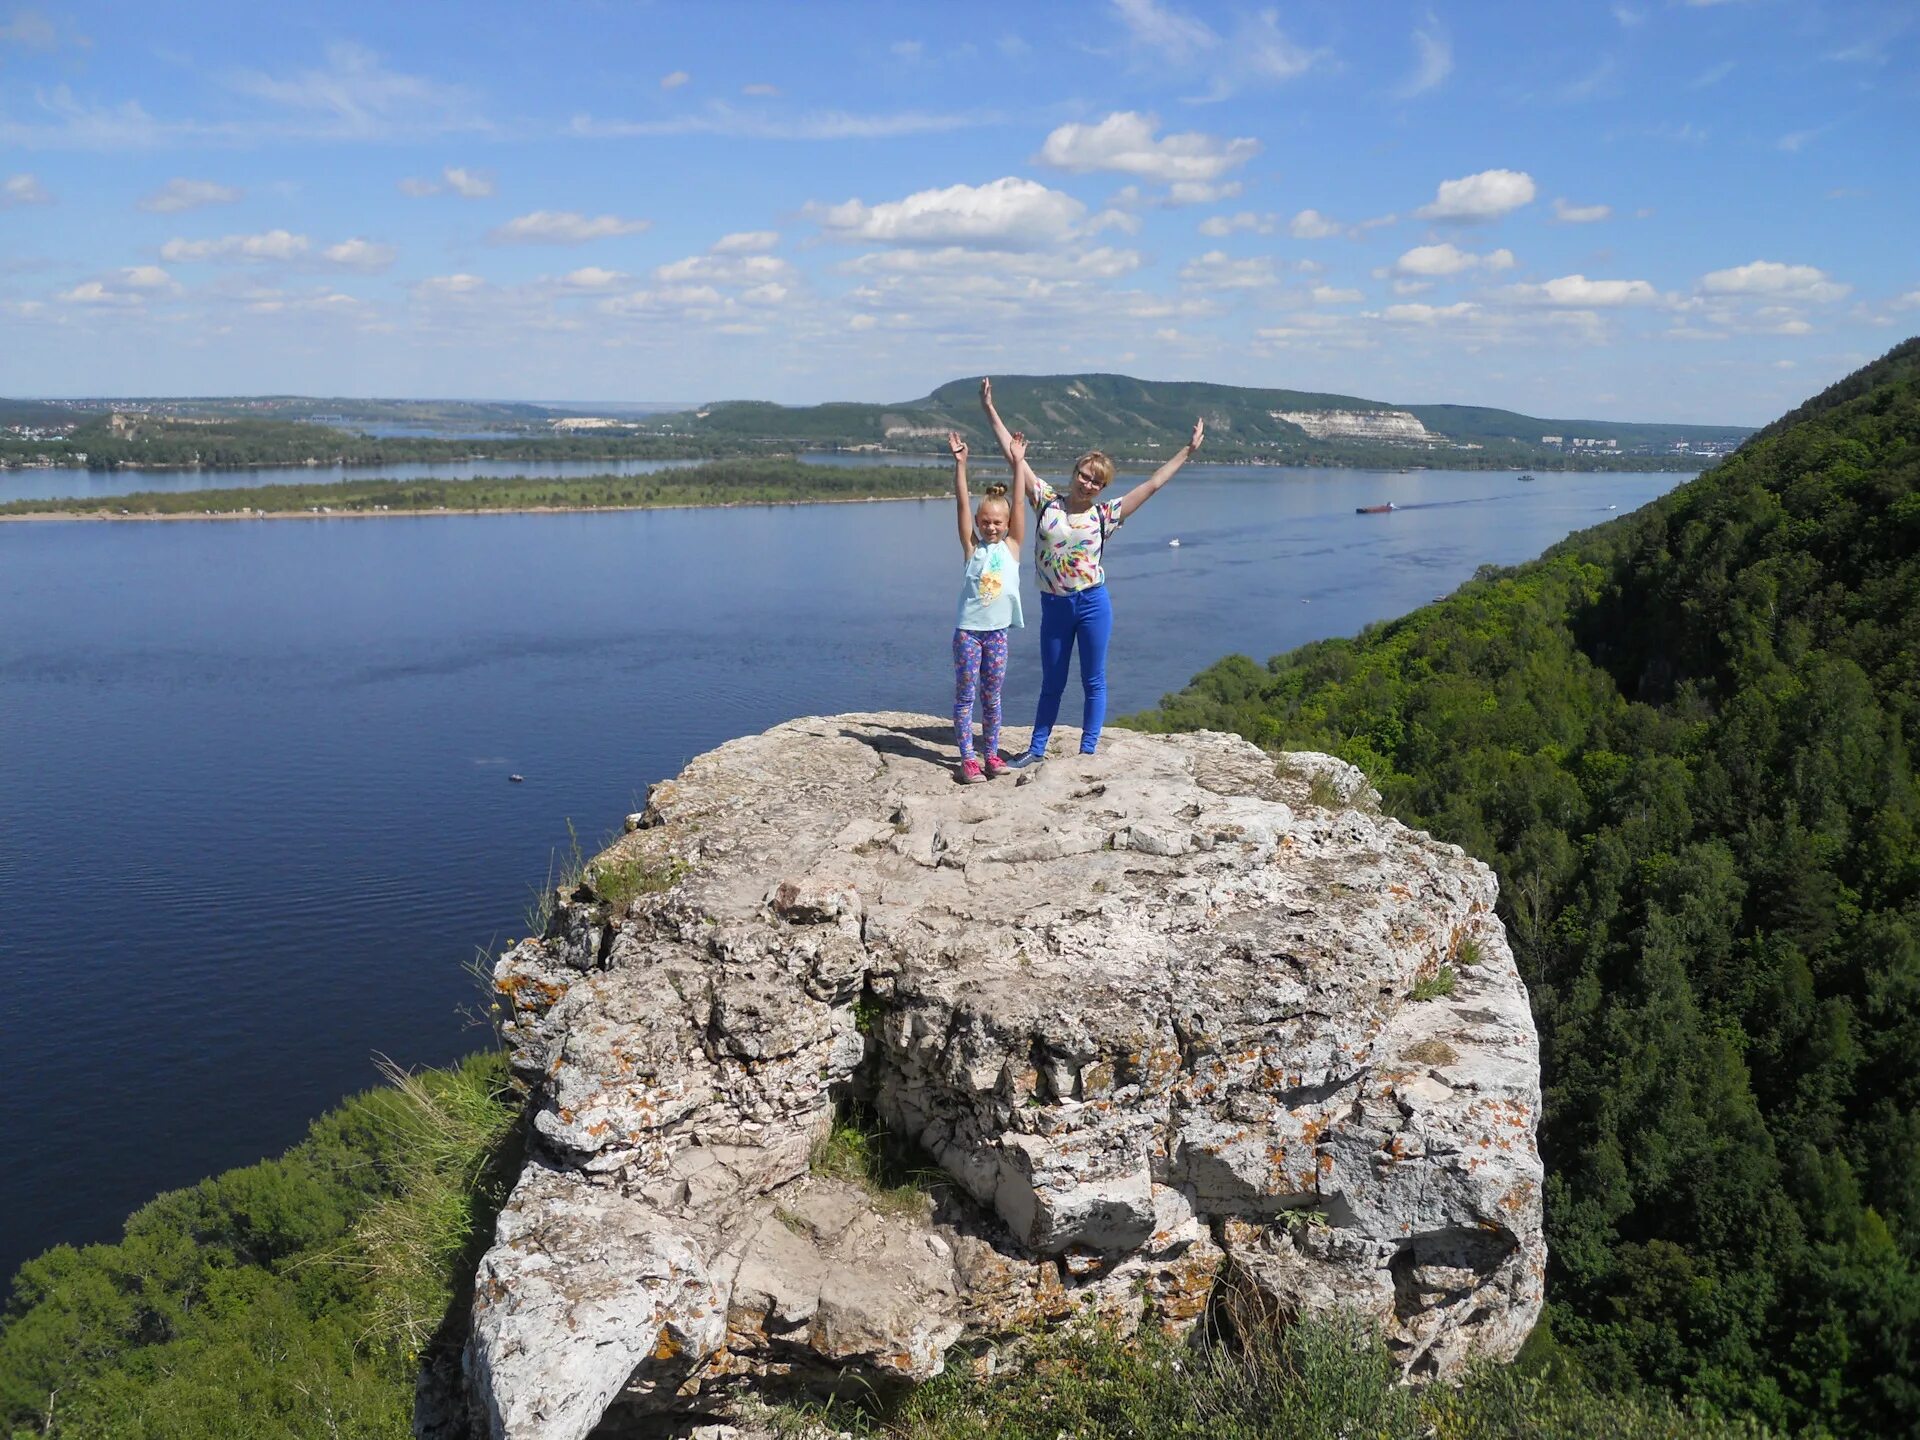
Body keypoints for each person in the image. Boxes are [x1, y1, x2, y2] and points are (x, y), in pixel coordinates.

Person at [978, 377, 1204, 765]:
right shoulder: (1047, 501)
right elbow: (1014, 456)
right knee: (1052, 682)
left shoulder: (1106, 515)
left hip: (1093, 603)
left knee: (1093, 680)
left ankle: (1088, 752)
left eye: (1096, 481)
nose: (1088, 483)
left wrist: (1187, 450)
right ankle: (1035, 750)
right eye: (1085, 475)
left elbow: (1151, 485)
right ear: (1075, 472)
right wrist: (989, 411)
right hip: (1055, 605)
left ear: (1102, 487)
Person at [946, 429, 1025, 782]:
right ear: (979, 523)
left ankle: (991, 755)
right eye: (986, 522)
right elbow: (962, 504)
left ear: (1007, 525)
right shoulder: (972, 549)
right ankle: (967, 759)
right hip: (968, 634)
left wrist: (1018, 465)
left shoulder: (1012, 547)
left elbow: (1020, 503)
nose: (991, 527)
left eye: (998, 522)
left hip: (996, 635)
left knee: (992, 698)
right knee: (966, 697)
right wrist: (961, 464)